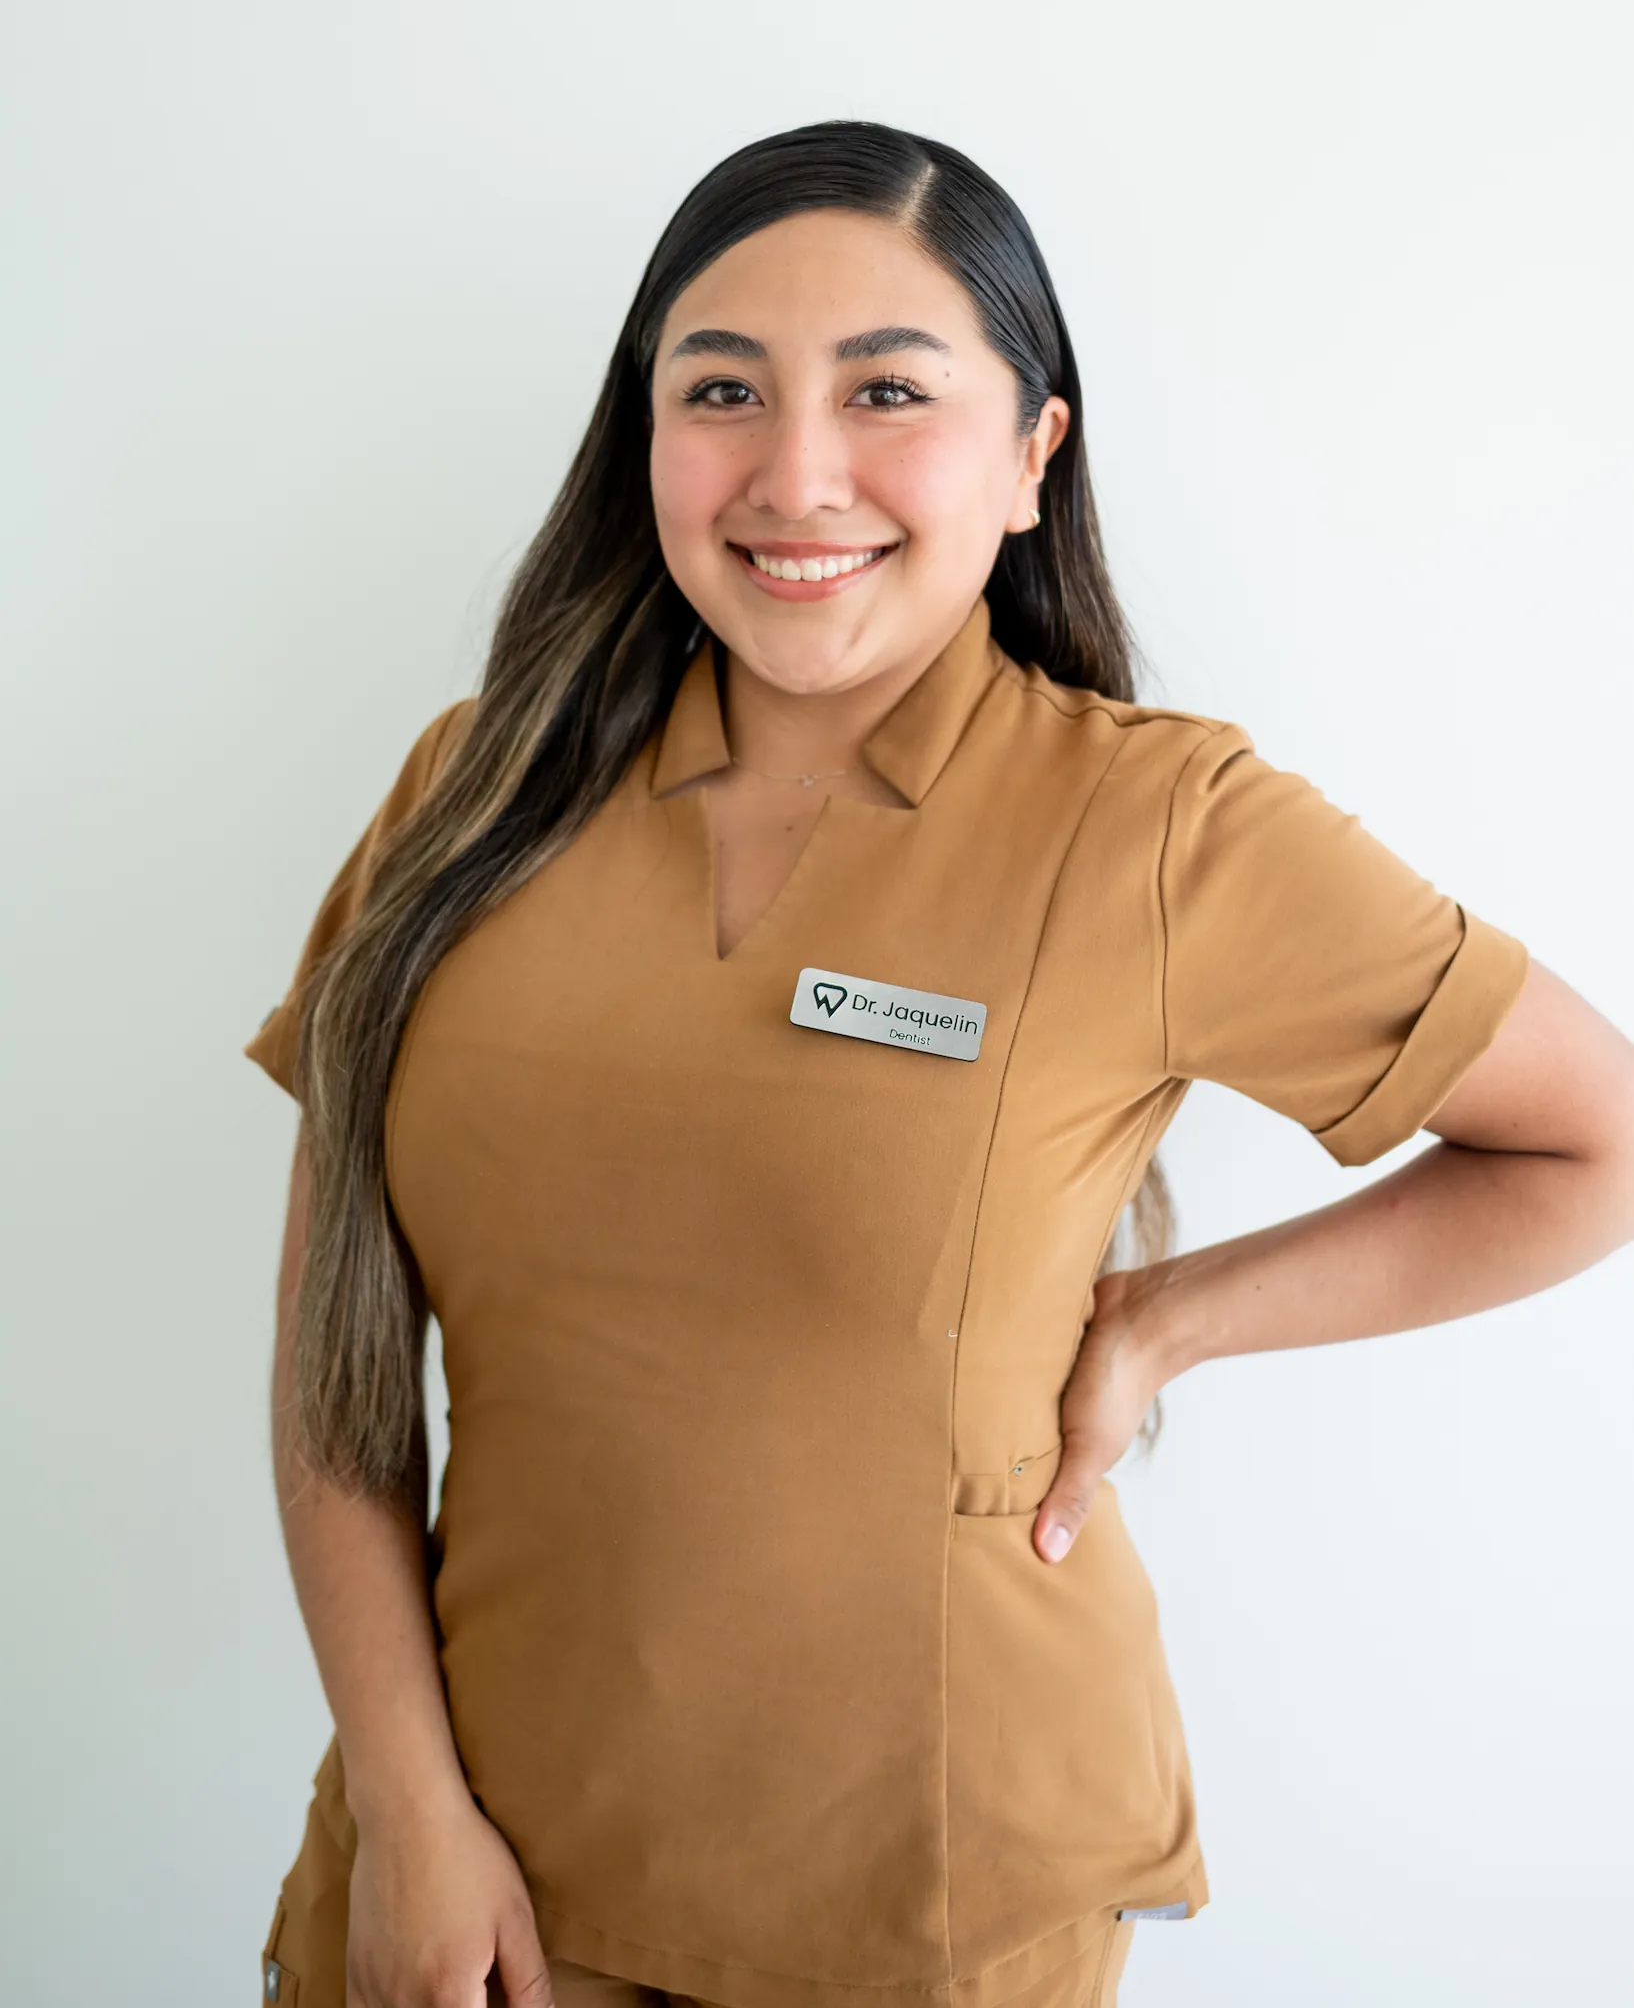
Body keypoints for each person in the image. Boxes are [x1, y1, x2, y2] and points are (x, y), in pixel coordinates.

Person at [244, 119, 1634, 2008]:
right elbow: (338, 1378)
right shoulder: (468, 794)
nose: (793, 475)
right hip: (471, 1887)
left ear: (1031, 453)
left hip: (928, 1901)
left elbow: (1592, 1137)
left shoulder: (1159, 828)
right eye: (718, 388)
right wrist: (409, 1814)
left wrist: (1165, 1320)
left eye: (888, 390)